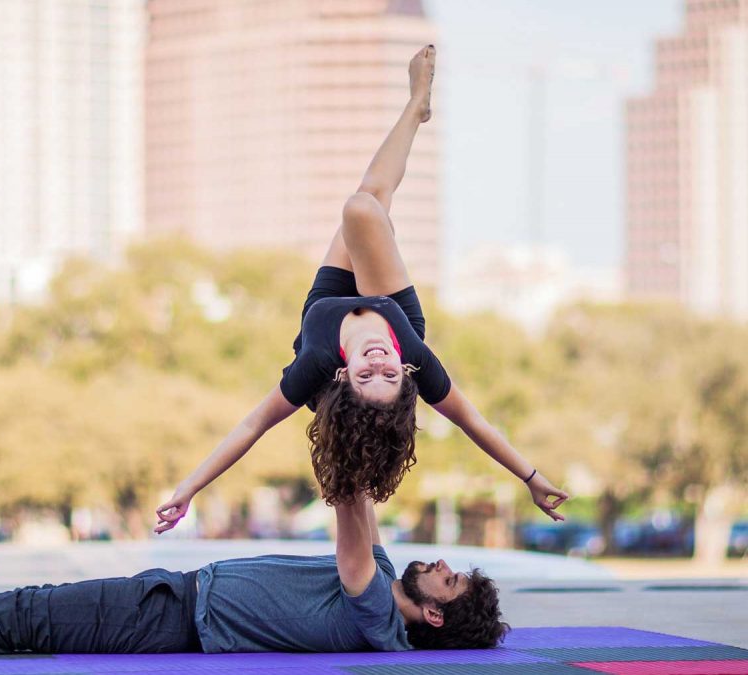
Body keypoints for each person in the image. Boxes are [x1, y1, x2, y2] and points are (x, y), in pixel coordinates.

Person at [155, 45, 568, 531]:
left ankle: (416, 106)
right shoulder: (412, 354)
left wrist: (188, 489)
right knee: (366, 205)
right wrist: (531, 476)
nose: (378, 365)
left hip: (326, 307)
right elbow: (473, 422)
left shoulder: (315, 367)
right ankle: (416, 106)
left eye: (366, 376)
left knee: (365, 203)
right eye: (388, 376)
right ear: (404, 370)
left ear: (342, 376)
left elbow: (250, 427)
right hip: (391, 309)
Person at [0, 493, 507, 659]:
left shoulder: (377, 613)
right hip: (173, 595)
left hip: (166, 617)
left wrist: (345, 393)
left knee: (16, 615)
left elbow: (349, 501)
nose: (443, 564)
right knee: (19, 612)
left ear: (435, 615)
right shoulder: (385, 573)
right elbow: (367, 502)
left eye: (452, 580)